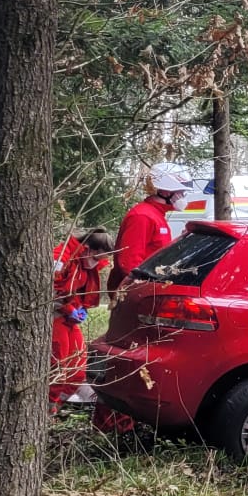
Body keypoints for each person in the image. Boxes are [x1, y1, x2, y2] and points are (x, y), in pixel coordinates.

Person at [51, 229, 114, 409]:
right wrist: (70, 309)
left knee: (77, 370)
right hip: (55, 316)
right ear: (87, 249)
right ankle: (48, 409)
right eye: (97, 259)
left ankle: (57, 406)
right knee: (58, 367)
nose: (97, 264)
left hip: (69, 319)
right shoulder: (61, 258)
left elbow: (79, 292)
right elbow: (50, 290)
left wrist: (80, 308)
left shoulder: (84, 265)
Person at [109, 162, 191, 299]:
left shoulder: (157, 216)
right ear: (165, 191)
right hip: (137, 295)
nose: (183, 196)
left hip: (149, 291)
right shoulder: (142, 216)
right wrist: (143, 290)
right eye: (180, 192)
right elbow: (129, 262)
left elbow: (156, 252)